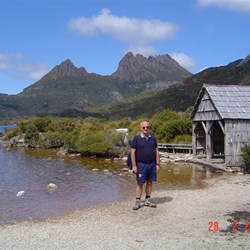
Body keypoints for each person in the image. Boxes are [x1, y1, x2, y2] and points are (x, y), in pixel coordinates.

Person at [130, 121, 161, 210]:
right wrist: (134, 166)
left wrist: (158, 164)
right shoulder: (136, 139)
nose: (145, 129)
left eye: (147, 127)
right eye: (143, 127)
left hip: (151, 164)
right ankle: (138, 201)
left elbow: (156, 151)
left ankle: (147, 200)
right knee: (140, 183)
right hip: (141, 164)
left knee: (150, 182)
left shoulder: (153, 138)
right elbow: (132, 152)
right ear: (140, 128)